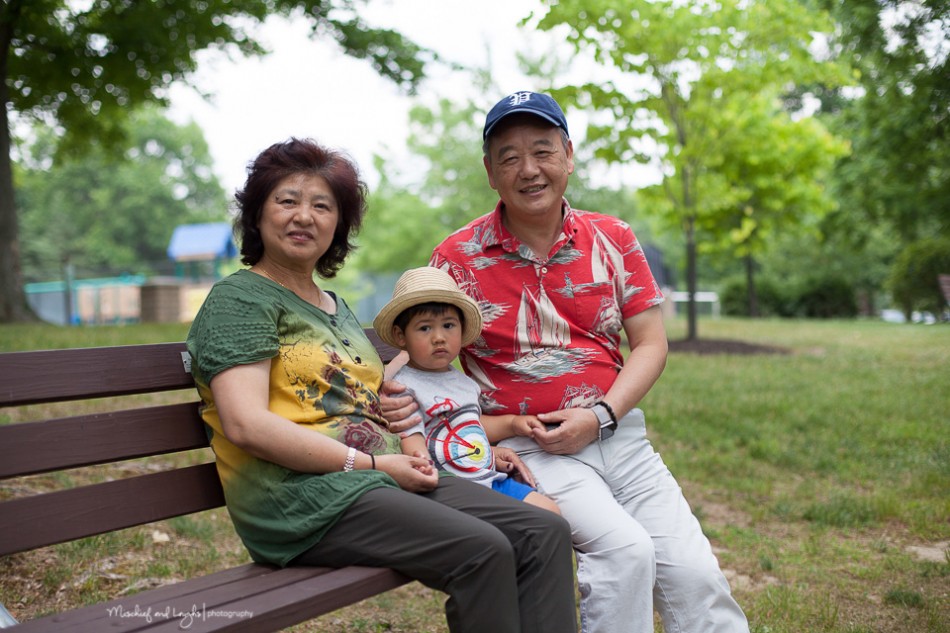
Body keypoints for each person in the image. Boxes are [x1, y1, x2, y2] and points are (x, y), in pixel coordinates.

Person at [383, 92, 750, 633]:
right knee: (625, 554)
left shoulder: (614, 238)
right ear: (490, 172)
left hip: (619, 435)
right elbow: (413, 340)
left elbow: (650, 343)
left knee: (695, 574)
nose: (528, 169)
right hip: (531, 448)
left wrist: (601, 416)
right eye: (508, 157)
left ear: (569, 155)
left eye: (542, 150)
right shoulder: (457, 259)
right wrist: (392, 387)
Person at [186, 137, 578, 633]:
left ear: (339, 224)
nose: (304, 216)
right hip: (303, 500)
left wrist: (448, 440)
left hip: (382, 479)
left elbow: (378, 399)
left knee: (543, 529)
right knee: (483, 548)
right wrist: (370, 462)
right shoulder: (241, 301)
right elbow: (245, 424)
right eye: (287, 200)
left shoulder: (335, 306)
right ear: (258, 213)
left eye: (322, 205)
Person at [373, 266, 560, 514]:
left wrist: (513, 423)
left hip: (487, 477)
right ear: (400, 335)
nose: (439, 337)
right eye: (425, 328)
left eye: (448, 326)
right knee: (520, 524)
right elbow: (411, 436)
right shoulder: (404, 386)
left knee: (550, 512)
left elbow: (472, 423)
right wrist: (422, 463)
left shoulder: (463, 382)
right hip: (452, 486)